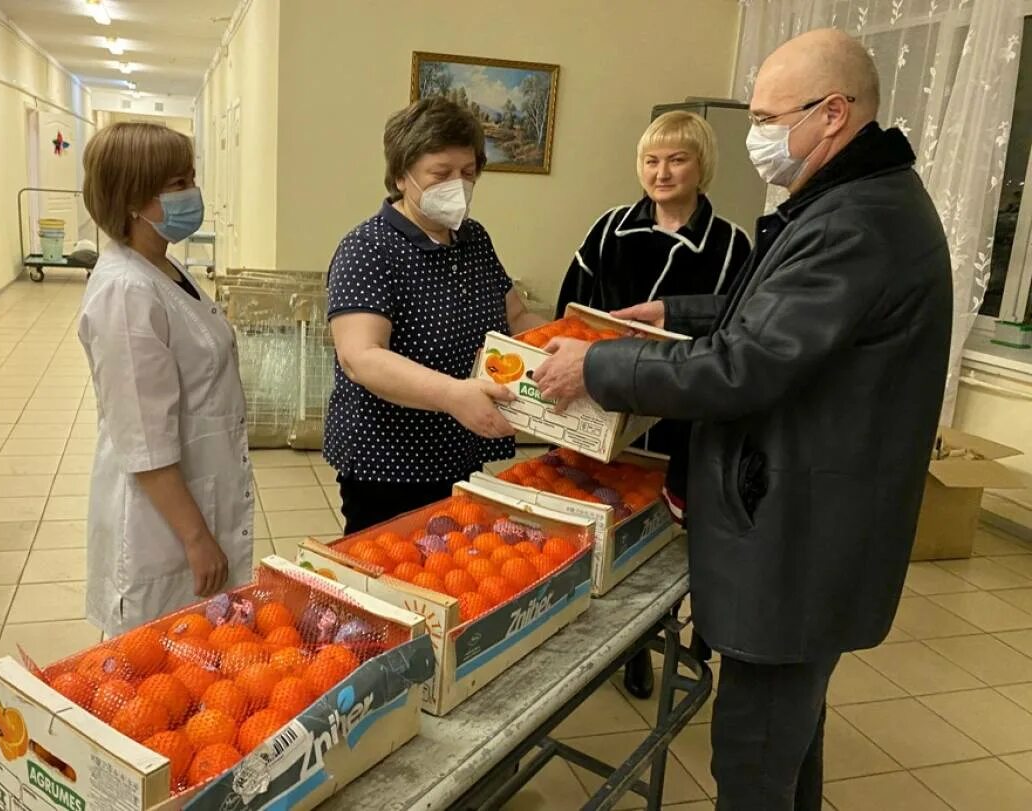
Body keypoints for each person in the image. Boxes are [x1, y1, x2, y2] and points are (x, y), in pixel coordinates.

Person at [533, 29, 951, 810]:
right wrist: (673, 309)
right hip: (817, 526)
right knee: (790, 740)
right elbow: (767, 309)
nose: (757, 136)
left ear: (833, 113)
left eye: (767, 118)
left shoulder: (857, 221)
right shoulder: (852, 198)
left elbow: (745, 364)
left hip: (800, 538)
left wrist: (595, 367)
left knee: (755, 755)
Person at [556, 111, 750, 700]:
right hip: (602, 403)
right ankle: (612, 641)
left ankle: (650, 637)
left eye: (677, 159)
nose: (661, 172)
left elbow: (733, 334)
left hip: (678, 416)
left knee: (659, 534)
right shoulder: (610, 229)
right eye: (651, 160)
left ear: (702, 166)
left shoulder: (732, 244)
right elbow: (573, 311)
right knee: (600, 519)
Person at [325, 97, 544, 534]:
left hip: (461, 449)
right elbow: (361, 356)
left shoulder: (473, 240)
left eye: (468, 173)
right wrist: (451, 395)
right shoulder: (369, 248)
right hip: (389, 464)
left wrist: (574, 351)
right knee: (397, 576)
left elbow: (516, 318)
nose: (457, 186)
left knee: (456, 571)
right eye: (441, 174)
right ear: (402, 175)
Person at [78, 122, 253, 636]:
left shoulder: (163, 268)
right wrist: (196, 538)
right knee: (154, 670)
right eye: (177, 184)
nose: (191, 195)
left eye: (189, 179)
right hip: (163, 525)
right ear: (132, 198)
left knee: (200, 654)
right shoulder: (126, 292)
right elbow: (144, 438)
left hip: (201, 493)